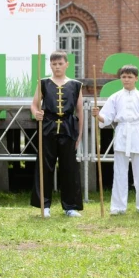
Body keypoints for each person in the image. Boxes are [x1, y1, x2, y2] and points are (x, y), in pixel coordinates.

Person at [91, 65, 139, 216]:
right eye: (124, 77)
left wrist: (138, 130)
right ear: (120, 78)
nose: (126, 80)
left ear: (136, 78)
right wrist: (97, 115)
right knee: (119, 172)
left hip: (137, 134)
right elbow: (107, 117)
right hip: (122, 133)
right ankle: (118, 206)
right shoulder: (115, 97)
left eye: (130, 77)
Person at [31, 50, 84, 218]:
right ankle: (44, 205)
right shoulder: (44, 83)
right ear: (50, 65)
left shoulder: (76, 85)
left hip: (68, 128)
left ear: (66, 64)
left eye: (60, 64)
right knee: (45, 166)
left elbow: (80, 111)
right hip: (48, 127)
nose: (57, 67)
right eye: (54, 64)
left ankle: (70, 206)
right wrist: (36, 113)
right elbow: (33, 104)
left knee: (69, 167)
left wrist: (79, 135)